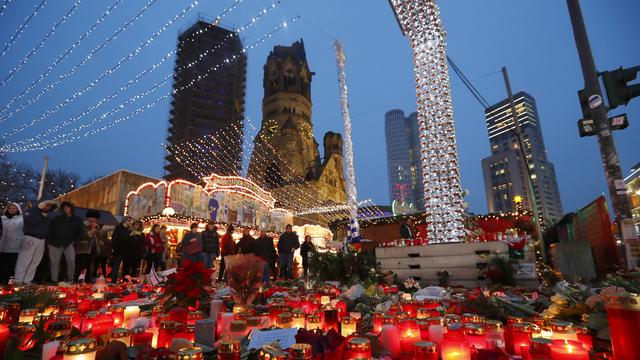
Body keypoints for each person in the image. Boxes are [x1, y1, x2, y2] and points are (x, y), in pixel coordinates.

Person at [14, 200, 57, 284]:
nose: (47, 207)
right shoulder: (31, 211)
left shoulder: (48, 216)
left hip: (42, 240)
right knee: (24, 259)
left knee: (35, 261)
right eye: (46, 205)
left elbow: (48, 229)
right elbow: (27, 221)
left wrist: (47, 241)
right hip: (30, 237)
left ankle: (27, 280)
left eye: (49, 206)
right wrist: (41, 217)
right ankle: (18, 280)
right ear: (42, 205)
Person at [48, 201, 83, 282]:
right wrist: (49, 242)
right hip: (55, 243)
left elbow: (80, 232)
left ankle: (70, 278)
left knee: (71, 261)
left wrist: (74, 241)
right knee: (54, 262)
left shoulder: (77, 220)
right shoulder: (56, 219)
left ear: (71, 208)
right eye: (64, 208)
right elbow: (50, 231)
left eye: (68, 207)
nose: (66, 209)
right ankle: (54, 279)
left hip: (68, 243)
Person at [75, 209, 107, 282]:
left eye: (95, 218)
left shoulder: (97, 226)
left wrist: (98, 231)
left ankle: (87, 281)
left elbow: (100, 237)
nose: (93, 219)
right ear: (88, 217)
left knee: (89, 267)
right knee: (80, 266)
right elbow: (82, 236)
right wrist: (91, 231)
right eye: (92, 217)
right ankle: (77, 280)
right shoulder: (83, 225)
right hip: (83, 249)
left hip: (93, 250)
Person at [0, 203, 23, 283]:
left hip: (14, 247)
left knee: (10, 266)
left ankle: (6, 283)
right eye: (10, 208)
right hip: (2, 246)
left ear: (18, 209)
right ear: (7, 209)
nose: (12, 210)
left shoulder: (21, 219)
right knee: (2, 265)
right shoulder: (2, 218)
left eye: (14, 208)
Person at [110, 216, 131, 281]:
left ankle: (124, 280)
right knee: (116, 266)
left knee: (126, 266)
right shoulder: (119, 228)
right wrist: (115, 248)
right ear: (125, 221)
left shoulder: (129, 229)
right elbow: (115, 239)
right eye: (129, 220)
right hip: (119, 250)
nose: (130, 222)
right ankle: (113, 280)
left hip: (126, 250)